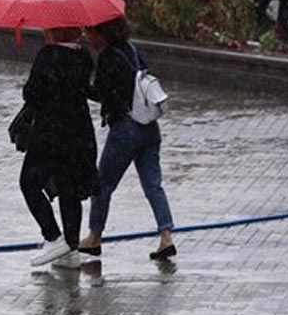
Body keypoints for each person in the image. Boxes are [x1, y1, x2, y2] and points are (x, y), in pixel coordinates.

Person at [78, 17, 176, 261]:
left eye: (89, 31)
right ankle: (166, 237)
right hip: (150, 128)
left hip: (125, 129)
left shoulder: (108, 57)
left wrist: (80, 86)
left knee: (102, 185)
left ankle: (94, 237)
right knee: (153, 185)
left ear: (101, 34)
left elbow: (103, 94)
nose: (86, 37)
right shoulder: (132, 51)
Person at [21, 27, 98, 269]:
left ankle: (53, 236)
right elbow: (83, 89)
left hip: (50, 133)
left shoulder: (48, 55)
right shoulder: (83, 55)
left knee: (29, 182)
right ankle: (71, 248)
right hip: (79, 131)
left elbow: (31, 93)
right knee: (69, 188)